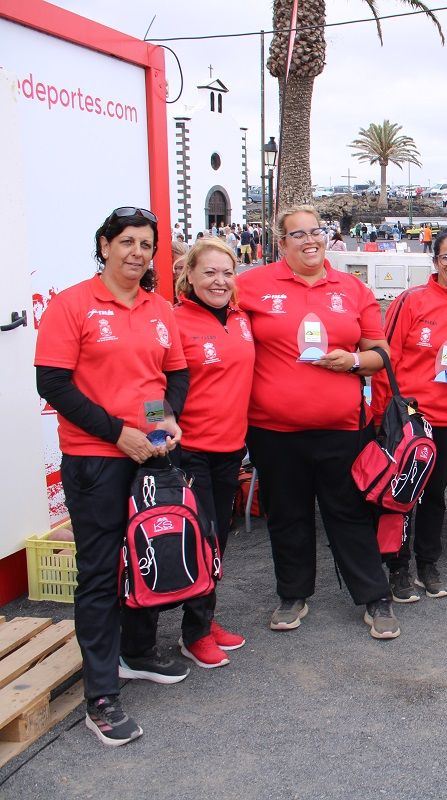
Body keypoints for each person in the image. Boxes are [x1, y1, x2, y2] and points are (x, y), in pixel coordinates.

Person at [35, 206, 189, 746]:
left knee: (153, 554)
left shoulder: (157, 307)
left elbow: (170, 374)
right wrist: (116, 433)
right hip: (95, 458)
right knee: (100, 573)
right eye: (126, 242)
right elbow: (53, 383)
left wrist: (162, 420)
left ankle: (137, 653)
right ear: (104, 245)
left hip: (149, 451)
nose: (137, 253)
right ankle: (100, 695)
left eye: (146, 244)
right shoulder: (72, 303)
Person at [238, 204, 399, 639]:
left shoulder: (351, 288)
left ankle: (374, 596)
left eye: (317, 231)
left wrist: (353, 361)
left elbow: (382, 353)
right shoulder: (250, 285)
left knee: (349, 512)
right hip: (273, 429)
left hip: (343, 427)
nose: (311, 240)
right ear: (281, 242)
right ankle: (293, 594)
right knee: (286, 514)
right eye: (298, 234)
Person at [372, 229, 447, 602]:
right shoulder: (410, 301)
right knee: (401, 496)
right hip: (411, 417)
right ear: (434, 261)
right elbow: (387, 359)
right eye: (446, 257)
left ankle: (428, 562)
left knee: (435, 495)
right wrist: (385, 414)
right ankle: (398, 567)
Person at [172, 237, 254, 668]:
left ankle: (204, 619)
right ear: (189, 276)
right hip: (190, 452)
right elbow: (153, 389)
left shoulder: (241, 318)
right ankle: (195, 632)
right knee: (198, 542)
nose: (219, 281)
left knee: (217, 539)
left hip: (230, 450)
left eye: (227, 272)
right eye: (209, 272)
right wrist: (155, 435)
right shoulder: (174, 322)